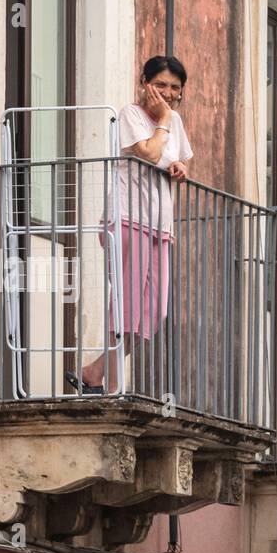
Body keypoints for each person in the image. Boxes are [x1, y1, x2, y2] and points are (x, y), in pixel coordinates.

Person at [72, 55, 193, 395]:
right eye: (161, 85)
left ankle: (94, 373)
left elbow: (178, 160)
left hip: (159, 226)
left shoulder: (175, 122)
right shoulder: (131, 115)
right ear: (145, 82)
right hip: (127, 219)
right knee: (127, 308)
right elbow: (152, 153)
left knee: (153, 312)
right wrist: (165, 118)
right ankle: (108, 384)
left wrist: (182, 169)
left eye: (175, 88)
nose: (168, 93)